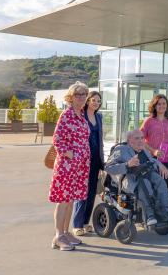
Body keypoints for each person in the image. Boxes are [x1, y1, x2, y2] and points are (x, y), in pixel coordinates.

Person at [49, 82, 90, 251]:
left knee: (71, 199)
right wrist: (69, 154)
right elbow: (57, 139)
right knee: (63, 200)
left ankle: (66, 232)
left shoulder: (81, 115)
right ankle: (58, 236)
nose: (81, 97)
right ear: (70, 97)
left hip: (80, 166)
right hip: (67, 165)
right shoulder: (66, 115)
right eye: (77, 94)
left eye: (83, 94)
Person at [105, 130, 168, 225]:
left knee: (159, 181)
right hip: (130, 178)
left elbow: (152, 160)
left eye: (142, 138)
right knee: (145, 184)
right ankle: (149, 215)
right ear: (129, 140)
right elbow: (108, 168)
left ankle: (167, 212)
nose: (141, 140)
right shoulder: (121, 150)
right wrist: (127, 165)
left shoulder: (143, 150)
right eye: (137, 138)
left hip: (146, 174)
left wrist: (160, 165)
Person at [72, 91, 104, 236]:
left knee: (91, 192)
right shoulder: (80, 115)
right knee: (81, 191)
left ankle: (85, 222)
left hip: (96, 159)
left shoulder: (99, 117)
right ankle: (77, 225)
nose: (96, 103)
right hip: (83, 159)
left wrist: (103, 162)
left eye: (98, 101)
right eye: (93, 100)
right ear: (88, 101)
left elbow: (100, 140)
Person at [141, 94, 168, 188]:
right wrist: (153, 151)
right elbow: (140, 139)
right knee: (152, 186)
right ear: (154, 106)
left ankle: (163, 203)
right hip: (151, 159)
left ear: (167, 106)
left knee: (164, 186)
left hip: (167, 159)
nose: (161, 106)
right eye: (159, 104)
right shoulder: (148, 121)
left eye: (164, 103)